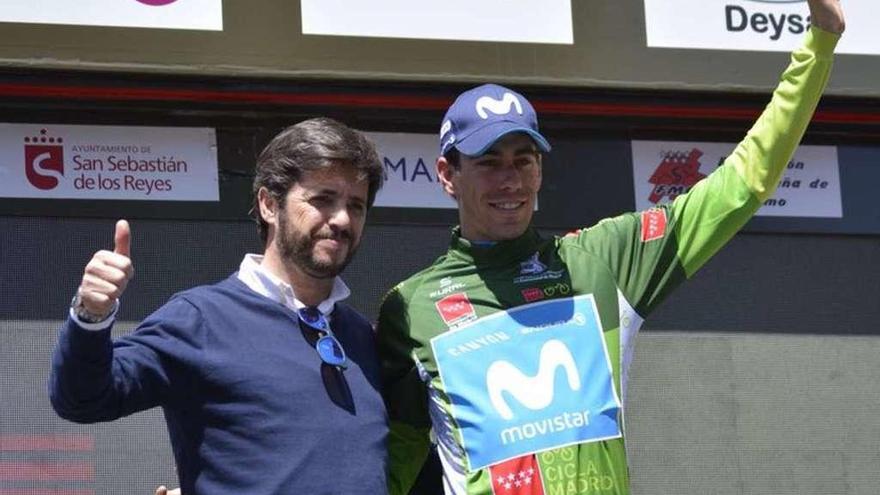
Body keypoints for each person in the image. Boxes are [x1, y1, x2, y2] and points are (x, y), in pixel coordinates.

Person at [377, 1, 845, 494]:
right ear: (448, 175)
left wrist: (820, 42)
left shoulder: (602, 260)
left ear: (540, 169)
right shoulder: (410, 308)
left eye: (524, 160)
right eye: (489, 162)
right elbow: (394, 454)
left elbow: (743, 182)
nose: (510, 180)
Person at [49, 118, 389, 494]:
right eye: (322, 199)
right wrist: (91, 315)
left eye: (356, 206)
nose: (342, 219)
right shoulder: (199, 319)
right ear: (269, 205)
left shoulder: (362, 337)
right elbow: (82, 400)